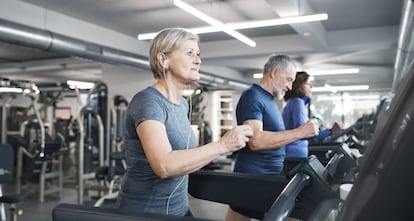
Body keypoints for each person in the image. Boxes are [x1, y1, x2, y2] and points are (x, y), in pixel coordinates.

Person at [114, 28, 253, 217]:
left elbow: (184, 158)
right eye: (189, 53)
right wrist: (223, 145)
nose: (198, 60)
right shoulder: (147, 101)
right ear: (163, 59)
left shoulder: (183, 105)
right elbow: (164, 166)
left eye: (198, 54)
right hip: (145, 212)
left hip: (179, 209)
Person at [225, 54, 319, 221]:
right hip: (254, 178)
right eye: (288, 80)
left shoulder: (269, 101)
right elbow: (256, 141)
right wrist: (300, 132)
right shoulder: (253, 96)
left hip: (271, 175)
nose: (290, 87)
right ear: (275, 72)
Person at [282, 71, 342, 158]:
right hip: (294, 155)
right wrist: (331, 131)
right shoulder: (297, 103)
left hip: (292, 154)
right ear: (299, 86)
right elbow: (304, 133)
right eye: (308, 84)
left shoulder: (294, 102)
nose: (311, 87)